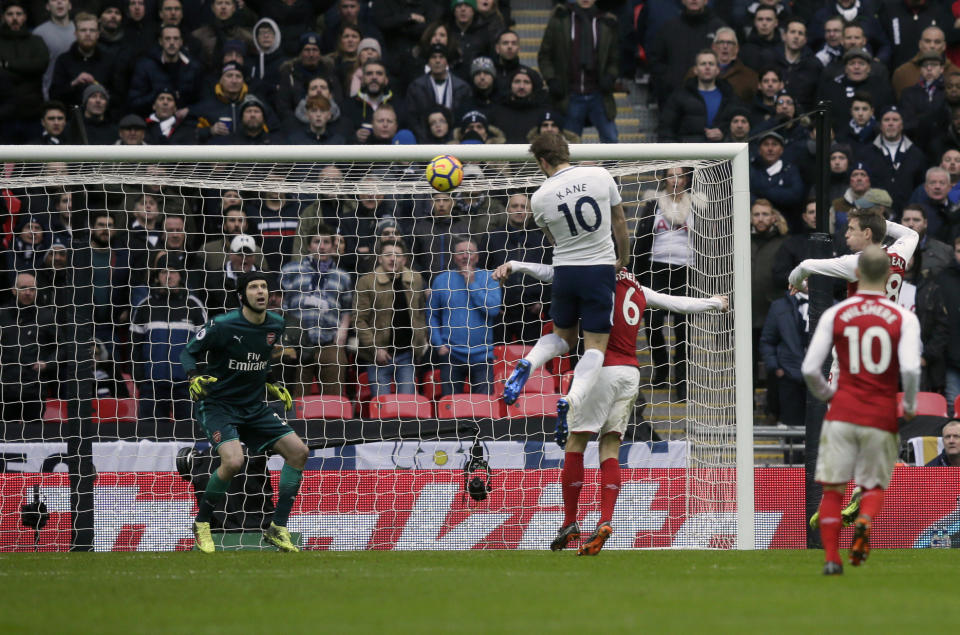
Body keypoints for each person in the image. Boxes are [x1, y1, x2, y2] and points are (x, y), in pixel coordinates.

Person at [492, 262, 727, 555]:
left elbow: (555, 273)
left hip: (602, 367)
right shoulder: (638, 287)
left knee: (576, 442)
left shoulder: (596, 281)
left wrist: (516, 266)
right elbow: (676, 303)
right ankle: (604, 519)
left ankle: (569, 522)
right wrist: (714, 302)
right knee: (610, 447)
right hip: (630, 374)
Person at [802, 245, 921, 574]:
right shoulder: (904, 316)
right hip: (881, 414)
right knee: (871, 485)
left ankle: (831, 558)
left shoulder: (835, 314)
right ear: (889, 275)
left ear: (856, 273)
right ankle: (864, 525)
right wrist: (908, 404)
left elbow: (811, 369)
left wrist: (829, 393)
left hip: (842, 412)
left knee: (834, 488)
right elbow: (911, 370)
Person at [503, 133, 629, 431]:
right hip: (598, 270)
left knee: (563, 337)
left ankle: (529, 363)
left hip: (565, 272)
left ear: (542, 161)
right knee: (595, 345)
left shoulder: (539, 197)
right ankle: (571, 399)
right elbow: (620, 222)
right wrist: (623, 257)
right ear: (567, 152)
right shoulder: (600, 175)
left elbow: (553, 240)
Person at [180, 271, 309, 553]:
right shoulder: (223, 325)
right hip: (219, 406)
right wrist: (193, 377)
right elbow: (187, 352)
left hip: (253, 407)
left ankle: (277, 527)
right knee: (233, 462)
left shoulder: (276, 323)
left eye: (264, 287)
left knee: (299, 452)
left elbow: (258, 358)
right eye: (254, 287)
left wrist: (272, 382)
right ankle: (202, 524)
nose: (261, 291)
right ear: (242, 295)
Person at [632, 167, 696, 400]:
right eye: (671, 175)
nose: (675, 180)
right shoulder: (653, 204)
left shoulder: (698, 206)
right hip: (656, 269)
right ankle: (660, 370)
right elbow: (641, 237)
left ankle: (682, 381)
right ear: (665, 179)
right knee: (653, 322)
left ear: (687, 179)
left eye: (680, 175)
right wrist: (635, 272)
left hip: (685, 270)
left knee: (682, 327)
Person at [130, 254, 206, 428]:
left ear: (181, 275)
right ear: (157, 276)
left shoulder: (194, 306)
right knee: (149, 439)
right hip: (152, 386)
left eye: (173, 271)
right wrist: (140, 379)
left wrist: (198, 378)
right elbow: (134, 347)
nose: (169, 276)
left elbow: (205, 347)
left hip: (186, 387)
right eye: (164, 272)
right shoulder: (144, 306)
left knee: (189, 435)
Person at [279, 225, 353, 398]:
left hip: (329, 343)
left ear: (333, 245)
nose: (322, 246)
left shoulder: (342, 276)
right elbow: (282, 305)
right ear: (309, 245)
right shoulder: (290, 271)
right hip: (298, 345)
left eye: (326, 242)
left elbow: (348, 308)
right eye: (317, 241)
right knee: (297, 399)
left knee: (333, 399)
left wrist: (343, 330)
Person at [354, 237, 428, 397]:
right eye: (388, 254)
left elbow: (420, 313)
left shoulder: (416, 279)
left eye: (397, 255)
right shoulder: (366, 282)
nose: (393, 258)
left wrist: (420, 344)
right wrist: (375, 350)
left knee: (406, 408)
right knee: (381, 410)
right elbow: (359, 320)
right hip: (379, 356)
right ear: (380, 258)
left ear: (405, 259)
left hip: (407, 355)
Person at [537, 0, 619, 143]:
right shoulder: (560, 19)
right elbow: (544, 55)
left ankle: (611, 167)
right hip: (570, 93)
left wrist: (610, 76)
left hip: (599, 93)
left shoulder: (607, 21)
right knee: (570, 145)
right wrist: (551, 79)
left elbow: (616, 57)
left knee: (611, 140)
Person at [429, 236, 502, 396]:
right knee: (452, 408)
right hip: (451, 354)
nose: (465, 256)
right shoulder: (442, 280)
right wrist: (438, 343)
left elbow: (493, 310)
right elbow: (432, 315)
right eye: (461, 252)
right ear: (454, 257)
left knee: (483, 409)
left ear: (477, 256)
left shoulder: (491, 278)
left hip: (482, 355)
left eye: (469, 252)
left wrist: (472, 284)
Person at [0, 272, 58, 425]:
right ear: (14, 290)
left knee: (34, 439)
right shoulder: (2, 314)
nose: (28, 293)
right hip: (5, 389)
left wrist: (48, 363)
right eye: (24, 288)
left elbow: (62, 348)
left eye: (32, 289)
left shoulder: (46, 316)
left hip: (34, 389)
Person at [0, 0, 50, 144]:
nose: (14, 18)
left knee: (34, 162)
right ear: (3, 17)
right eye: (10, 14)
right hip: (3, 115)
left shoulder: (36, 41)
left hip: (32, 113)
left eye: (18, 13)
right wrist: (27, 70)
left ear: (25, 17)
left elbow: (41, 65)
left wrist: (7, 65)